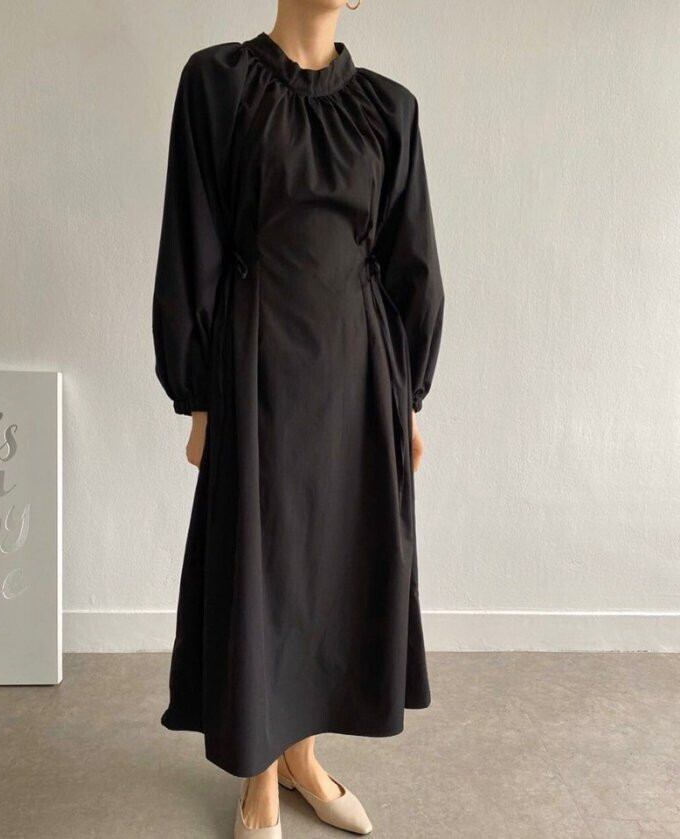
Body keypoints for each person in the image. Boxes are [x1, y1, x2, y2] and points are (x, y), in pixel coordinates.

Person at [152, 1, 444, 835]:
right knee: (260, 563)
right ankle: (257, 772)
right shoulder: (217, 83)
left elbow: (411, 258)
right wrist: (197, 395)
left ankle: (302, 760)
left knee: (330, 564)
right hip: (255, 363)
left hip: (358, 373)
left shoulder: (389, 108)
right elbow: (192, 241)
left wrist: (408, 397)